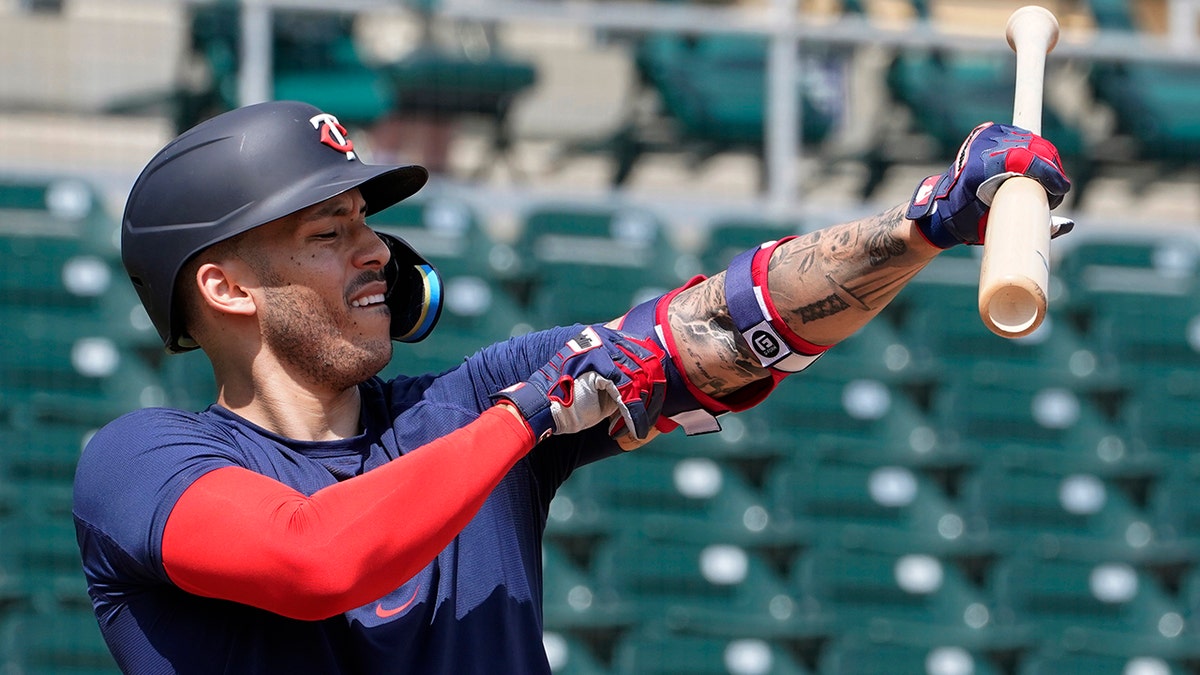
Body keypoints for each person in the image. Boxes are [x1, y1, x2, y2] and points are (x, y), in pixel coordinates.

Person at [73, 100, 1071, 674]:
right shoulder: (139, 463)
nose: (376, 251)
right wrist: (526, 419)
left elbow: (725, 328)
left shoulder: (464, 402)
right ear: (223, 286)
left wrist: (923, 227)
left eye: (369, 226)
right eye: (328, 235)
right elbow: (318, 560)